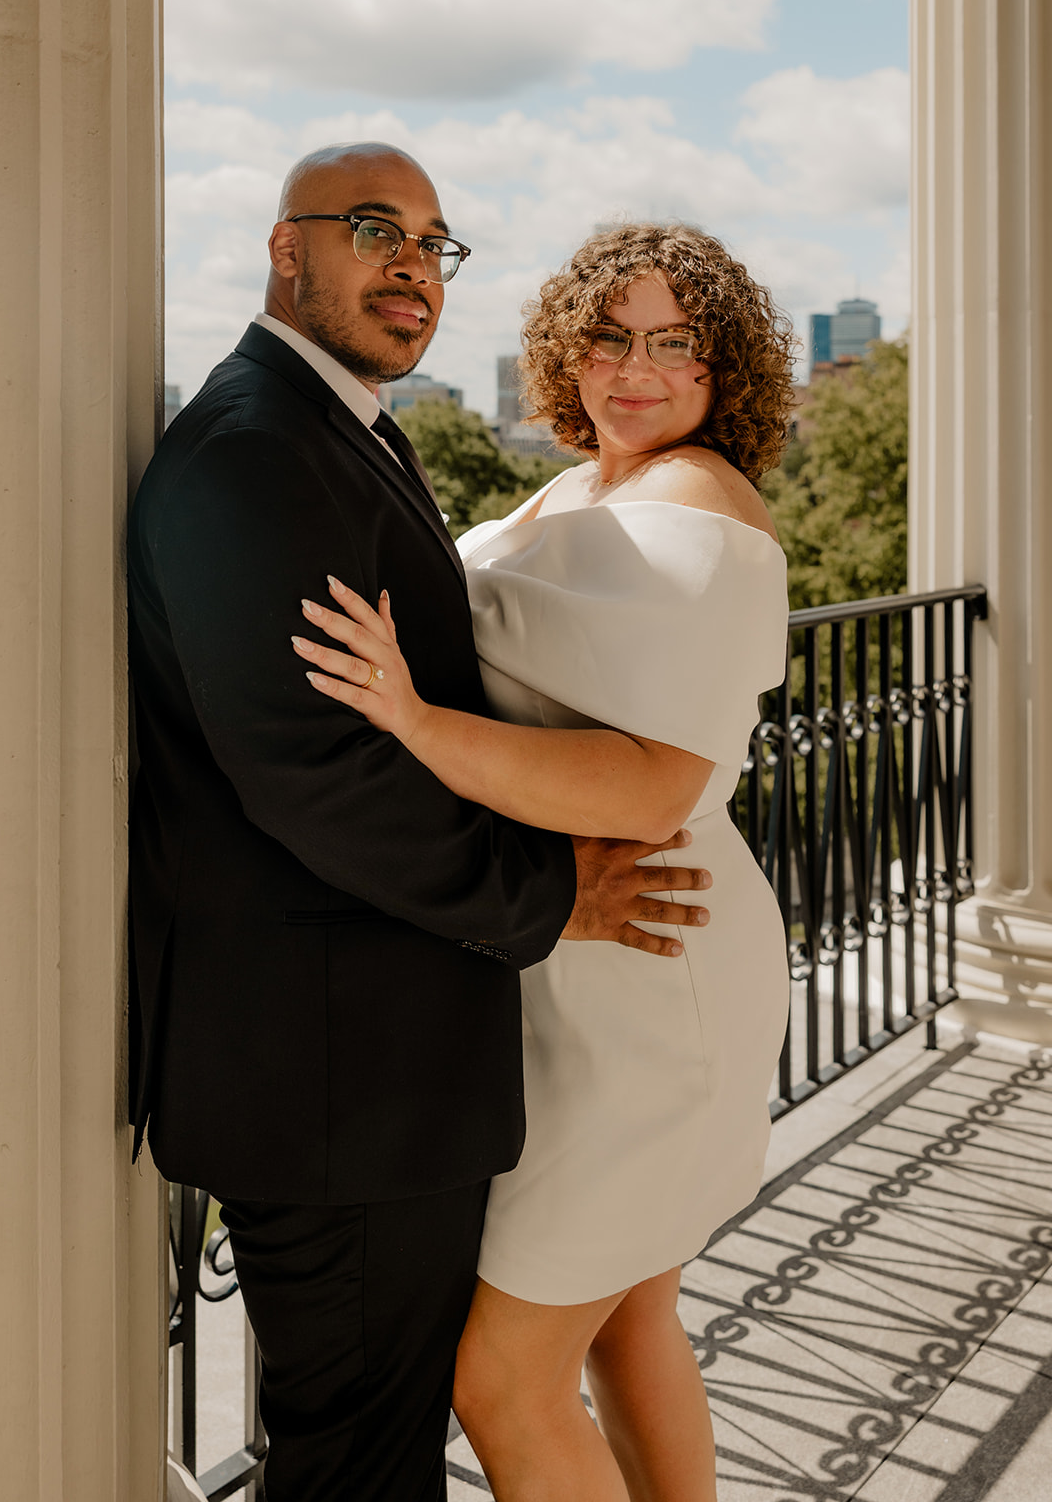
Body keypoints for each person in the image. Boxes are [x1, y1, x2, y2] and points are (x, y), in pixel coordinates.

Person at [127, 144, 714, 1502]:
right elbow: (313, 775)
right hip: (337, 1088)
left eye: (435, 243)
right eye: (376, 227)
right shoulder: (255, 451)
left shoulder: (332, 427)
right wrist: (549, 892)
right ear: (288, 250)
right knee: (359, 1466)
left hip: (369, 1078)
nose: (412, 263)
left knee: (368, 1449)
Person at [296, 221, 796, 1501]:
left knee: (503, 1380)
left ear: (722, 363)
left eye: (674, 342)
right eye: (609, 337)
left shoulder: (694, 498)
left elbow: (653, 781)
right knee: (629, 1315)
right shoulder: (587, 487)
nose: (636, 368)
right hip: (588, 953)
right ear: (564, 355)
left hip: (647, 964)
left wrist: (414, 721)